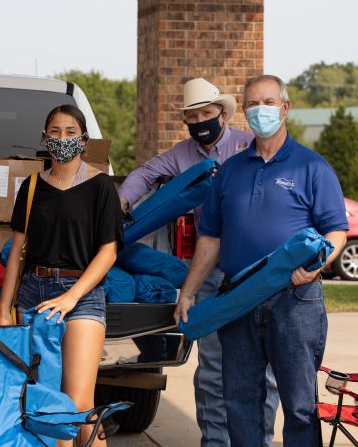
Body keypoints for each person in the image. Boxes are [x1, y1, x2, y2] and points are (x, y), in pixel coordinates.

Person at [174, 74, 349, 446]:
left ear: (284, 108)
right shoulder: (231, 172)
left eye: (268, 102)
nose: (260, 110)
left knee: (300, 406)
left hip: (295, 300)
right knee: (239, 403)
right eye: (252, 104)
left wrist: (317, 264)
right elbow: (210, 238)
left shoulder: (312, 167)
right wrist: (188, 292)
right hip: (237, 299)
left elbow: (336, 232)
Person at [118, 77, 277, 447]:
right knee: (212, 368)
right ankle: (215, 442)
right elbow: (145, 174)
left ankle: (260, 441)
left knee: (261, 370)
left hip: (255, 268)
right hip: (208, 269)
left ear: (222, 112)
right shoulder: (182, 153)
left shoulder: (248, 144)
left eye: (207, 113)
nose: (201, 121)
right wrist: (122, 202)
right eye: (193, 116)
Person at [0, 104, 123, 447]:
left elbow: (108, 252)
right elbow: (17, 252)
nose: (62, 138)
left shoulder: (101, 186)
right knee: (44, 404)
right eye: (55, 131)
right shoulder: (33, 186)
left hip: (80, 294)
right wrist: (3, 311)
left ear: (83, 139)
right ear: (44, 138)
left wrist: (71, 296)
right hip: (33, 293)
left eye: (70, 132)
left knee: (78, 403)